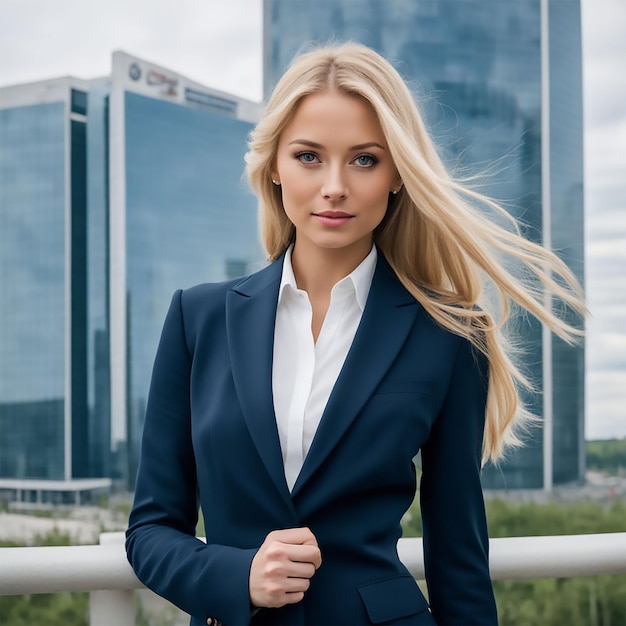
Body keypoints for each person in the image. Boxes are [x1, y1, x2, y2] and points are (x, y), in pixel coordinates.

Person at [125, 42, 585, 626]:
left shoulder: (450, 336)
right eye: (309, 156)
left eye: (364, 159)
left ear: (397, 174)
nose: (335, 186)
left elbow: (458, 554)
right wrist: (234, 576)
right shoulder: (198, 318)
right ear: (274, 166)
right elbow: (150, 530)